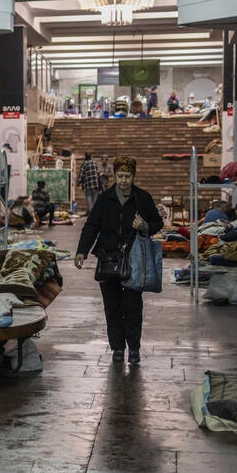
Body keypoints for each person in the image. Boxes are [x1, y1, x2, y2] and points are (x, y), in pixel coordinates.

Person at [74, 155, 163, 365]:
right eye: (120, 176)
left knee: (133, 306)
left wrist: (145, 227)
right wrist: (82, 251)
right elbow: (91, 225)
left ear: (133, 176)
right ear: (114, 175)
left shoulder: (143, 198)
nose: (123, 180)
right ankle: (117, 348)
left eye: (127, 176)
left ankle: (133, 348)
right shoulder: (105, 199)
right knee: (111, 307)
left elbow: (157, 223)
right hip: (107, 260)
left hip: (134, 261)